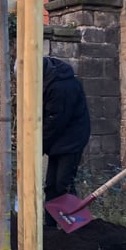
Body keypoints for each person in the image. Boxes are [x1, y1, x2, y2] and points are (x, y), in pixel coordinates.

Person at [42, 56, 91, 227]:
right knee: (51, 185)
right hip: (58, 139)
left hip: (71, 138)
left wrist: (39, 146)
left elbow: (55, 122)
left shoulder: (60, 87)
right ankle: (50, 227)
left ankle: (75, 226)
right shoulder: (48, 81)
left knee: (64, 182)